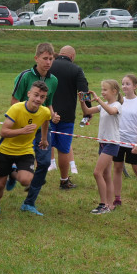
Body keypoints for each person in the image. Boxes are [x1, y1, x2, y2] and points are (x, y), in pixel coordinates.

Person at [2, 42, 59, 216]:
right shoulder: (25, 76)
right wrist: (23, 122)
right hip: (22, 126)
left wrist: (52, 115)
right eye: (45, 58)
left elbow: (48, 104)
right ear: (36, 58)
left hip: (41, 127)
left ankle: (29, 202)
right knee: (10, 156)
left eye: (51, 59)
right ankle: (11, 173)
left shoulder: (53, 80)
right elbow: (14, 101)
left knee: (44, 162)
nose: (48, 62)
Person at [0, 82, 51, 220]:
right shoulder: (16, 109)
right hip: (6, 150)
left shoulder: (45, 111)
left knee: (25, 180)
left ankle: (13, 173)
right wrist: (22, 131)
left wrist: (45, 139)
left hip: (25, 150)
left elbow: (46, 120)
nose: (38, 99)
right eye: (35, 95)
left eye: (42, 97)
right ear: (29, 94)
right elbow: (3, 132)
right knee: (0, 185)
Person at [46, 45, 93, 188]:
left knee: (43, 145)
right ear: (72, 57)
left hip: (47, 112)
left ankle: (37, 178)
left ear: (60, 54)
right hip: (66, 115)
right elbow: (84, 92)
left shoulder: (49, 65)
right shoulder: (76, 69)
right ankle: (64, 180)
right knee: (64, 149)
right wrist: (88, 111)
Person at [111, 74, 137, 209]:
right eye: (123, 84)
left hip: (133, 142)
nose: (124, 86)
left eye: (128, 84)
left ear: (135, 86)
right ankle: (117, 198)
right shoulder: (119, 102)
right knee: (117, 168)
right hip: (118, 141)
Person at [86, 79, 123, 215]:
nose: (102, 92)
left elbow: (111, 111)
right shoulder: (103, 105)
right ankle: (110, 204)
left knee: (97, 172)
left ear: (114, 91)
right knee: (106, 174)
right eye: (101, 90)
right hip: (103, 142)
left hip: (112, 143)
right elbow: (87, 110)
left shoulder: (117, 105)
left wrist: (99, 101)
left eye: (105, 90)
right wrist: (83, 100)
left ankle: (103, 205)